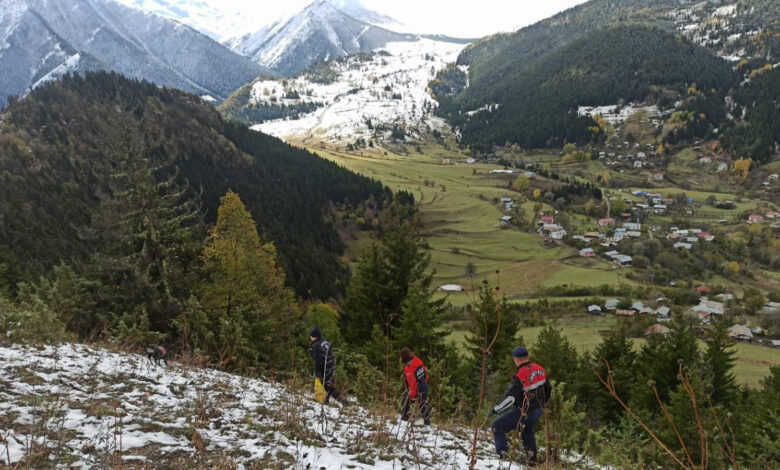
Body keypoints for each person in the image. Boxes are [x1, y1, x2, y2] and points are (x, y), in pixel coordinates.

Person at [490, 346, 551, 466]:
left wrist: (495, 410)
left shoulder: (520, 374)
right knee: (527, 430)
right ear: (527, 357)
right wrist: (542, 405)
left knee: (497, 426)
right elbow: (548, 389)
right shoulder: (540, 369)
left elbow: (510, 398)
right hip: (538, 409)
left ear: (516, 359)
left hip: (524, 410)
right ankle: (531, 460)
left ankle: (503, 456)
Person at [309, 326, 343, 404]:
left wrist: (318, 372)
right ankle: (326, 400)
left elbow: (318, 361)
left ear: (315, 336)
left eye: (311, 336)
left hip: (324, 368)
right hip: (330, 366)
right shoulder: (325, 342)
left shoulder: (316, 346)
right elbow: (326, 354)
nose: (310, 337)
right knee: (328, 385)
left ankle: (343, 402)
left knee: (327, 386)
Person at [400, 348, 431, 425]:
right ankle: (427, 422)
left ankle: (404, 419)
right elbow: (425, 374)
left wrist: (412, 395)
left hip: (419, 389)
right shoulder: (417, 362)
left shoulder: (411, 367)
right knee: (423, 406)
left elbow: (413, 383)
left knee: (412, 402)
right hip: (423, 386)